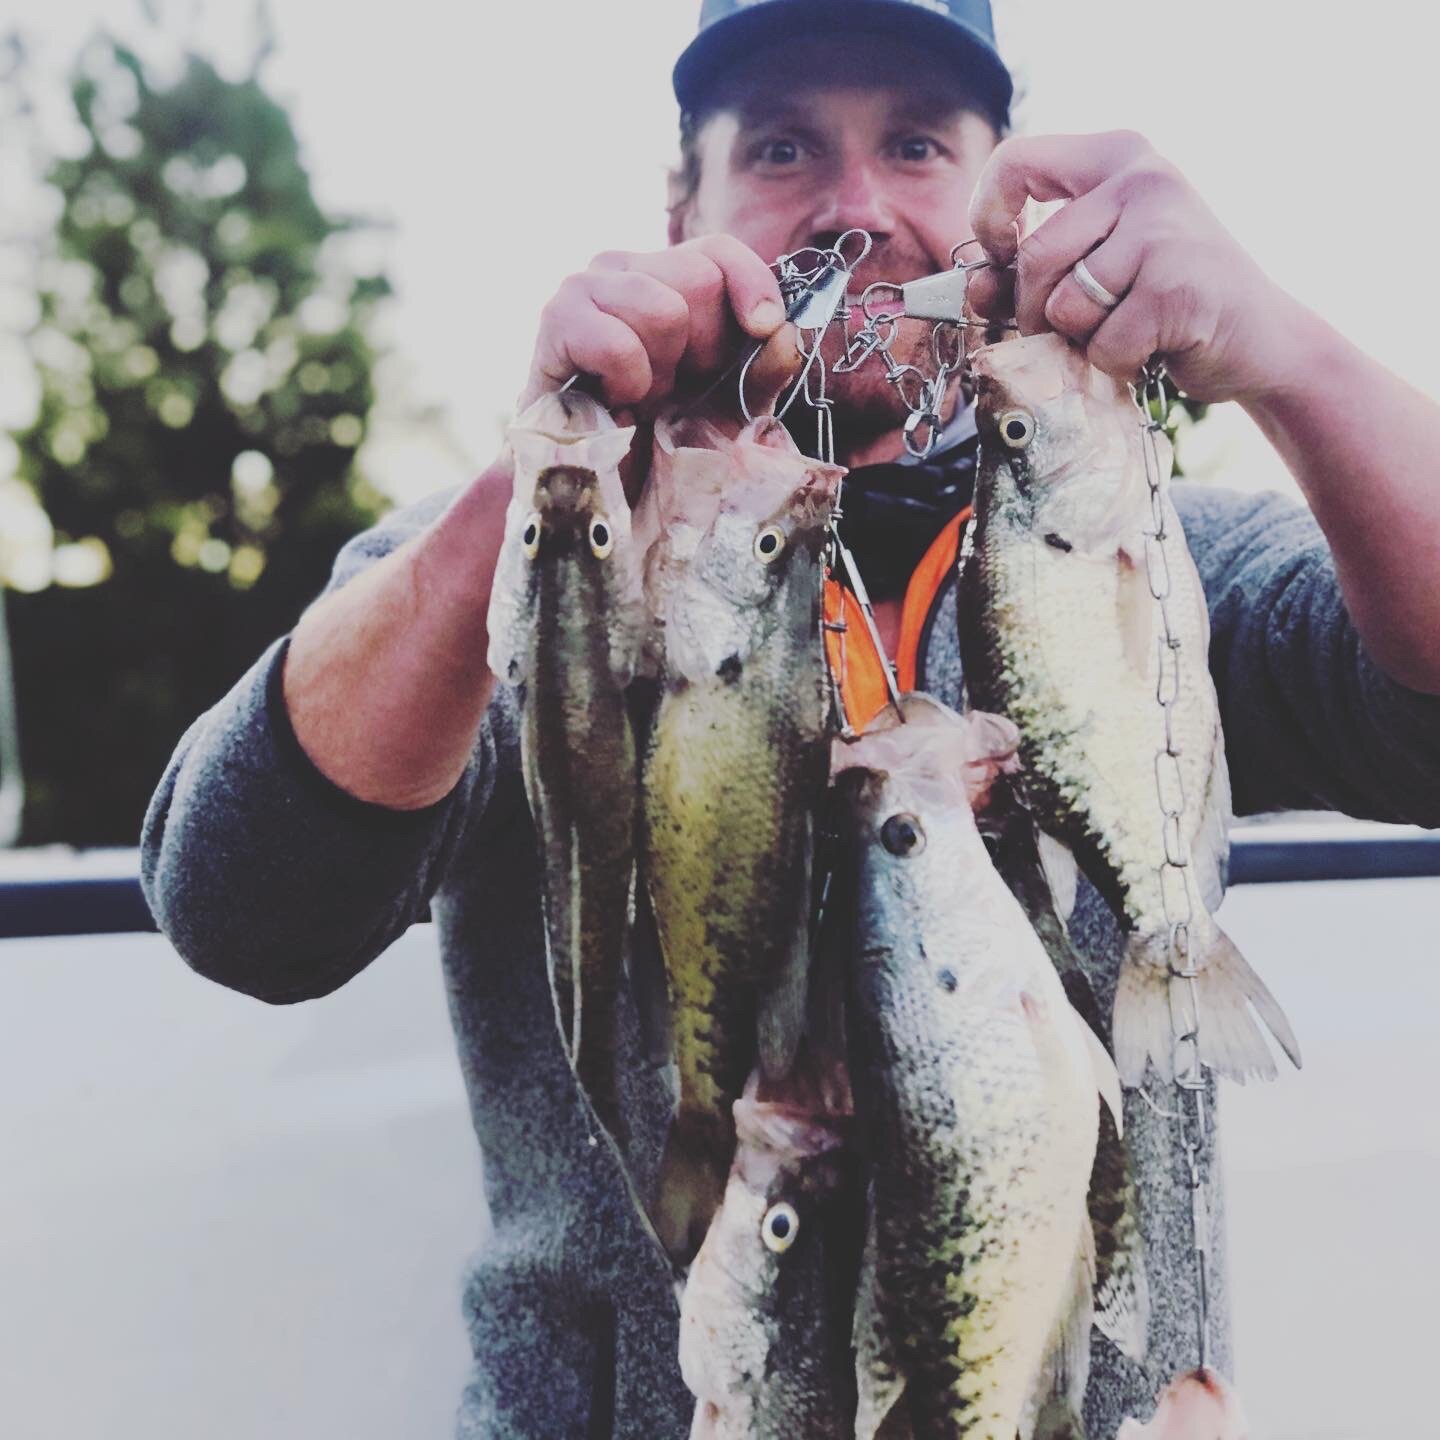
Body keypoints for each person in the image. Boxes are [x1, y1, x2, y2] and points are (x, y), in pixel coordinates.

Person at [140, 1, 1440, 1435]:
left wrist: (1294, 358)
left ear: (1004, 204)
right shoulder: (513, 587)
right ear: (681, 207)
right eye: (780, 147)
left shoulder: (1144, 555)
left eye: (918, 143)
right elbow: (235, 903)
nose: (857, 206)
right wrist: (547, 492)